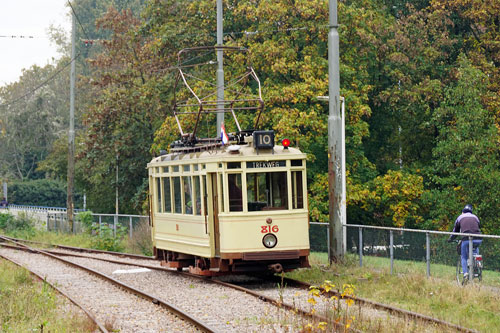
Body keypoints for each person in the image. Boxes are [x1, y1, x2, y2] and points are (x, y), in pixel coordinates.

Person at [447, 204, 482, 279]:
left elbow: (455, 231)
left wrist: (450, 239)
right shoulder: (475, 217)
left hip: (466, 239)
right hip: (478, 238)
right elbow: (479, 227)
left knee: (464, 256)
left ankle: (465, 273)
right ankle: (476, 263)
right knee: (475, 247)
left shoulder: (460, 217)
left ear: (463, 211)